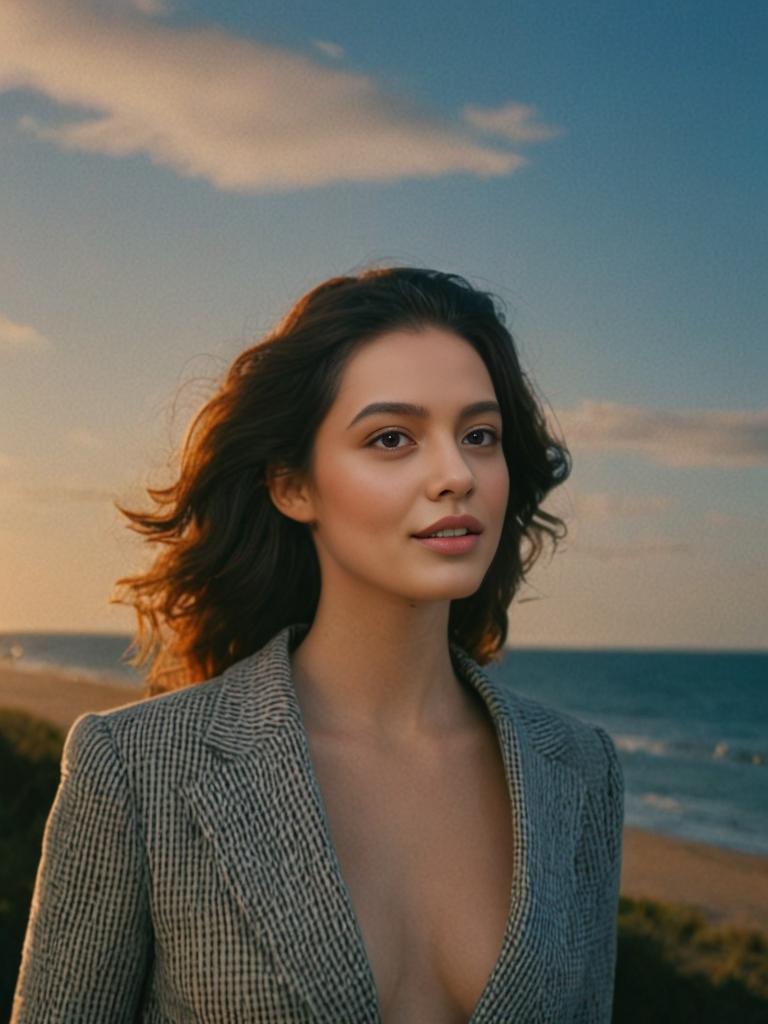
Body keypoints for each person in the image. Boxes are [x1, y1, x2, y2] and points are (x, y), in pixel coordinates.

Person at [12, 267, 624, 1023]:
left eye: (479, 435)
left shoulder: (580, 770)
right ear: (292, 487)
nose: (456, 474)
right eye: (392, 438)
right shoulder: (137, 771)